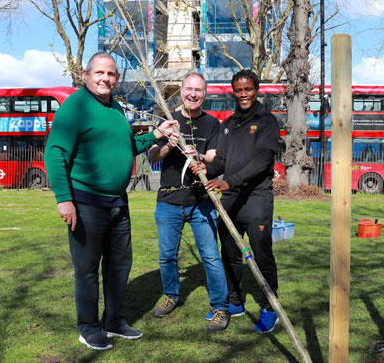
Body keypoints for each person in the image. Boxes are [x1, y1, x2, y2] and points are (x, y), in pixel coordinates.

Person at [44, 51, 179, 351]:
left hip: (118, 204)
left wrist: (157, 134)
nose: (106, 79)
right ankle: (89, 327)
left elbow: (127, 145)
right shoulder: (74, 107)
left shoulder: (115, 108)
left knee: (119, 265)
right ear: (86, 74)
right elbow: (54, 153)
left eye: (111, 74)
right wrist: (64, 199)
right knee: (88, 269)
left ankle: (114, 320)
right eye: (100, 73)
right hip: (86, 203)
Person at [191, 69, 281, 333]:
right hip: (230, 200)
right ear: (233, 91)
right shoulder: (228, 124)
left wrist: (231, 181)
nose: (244, 94)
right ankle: (235, 303)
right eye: (239, 90)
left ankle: (268, 307)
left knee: (262, 255)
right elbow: (220, 161)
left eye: (248, 89)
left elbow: (262, 161)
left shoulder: (267, 121)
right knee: (229, 253)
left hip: (256, 198)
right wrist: (203, 166)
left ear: (257, 89)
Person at [148, 72, 230, 333]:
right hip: (169, 201)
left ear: (204, 94)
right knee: (167, 256)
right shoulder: (167, 121)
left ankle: (220, 307)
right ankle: (171, 295)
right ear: (181, 91)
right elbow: (152, 155)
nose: (193, 94)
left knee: (211, 256)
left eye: (199, 90)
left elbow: (216, 161)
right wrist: (169, 145)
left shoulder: (212, 124)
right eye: (189, 89)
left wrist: (201, 157)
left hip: (200, 202)